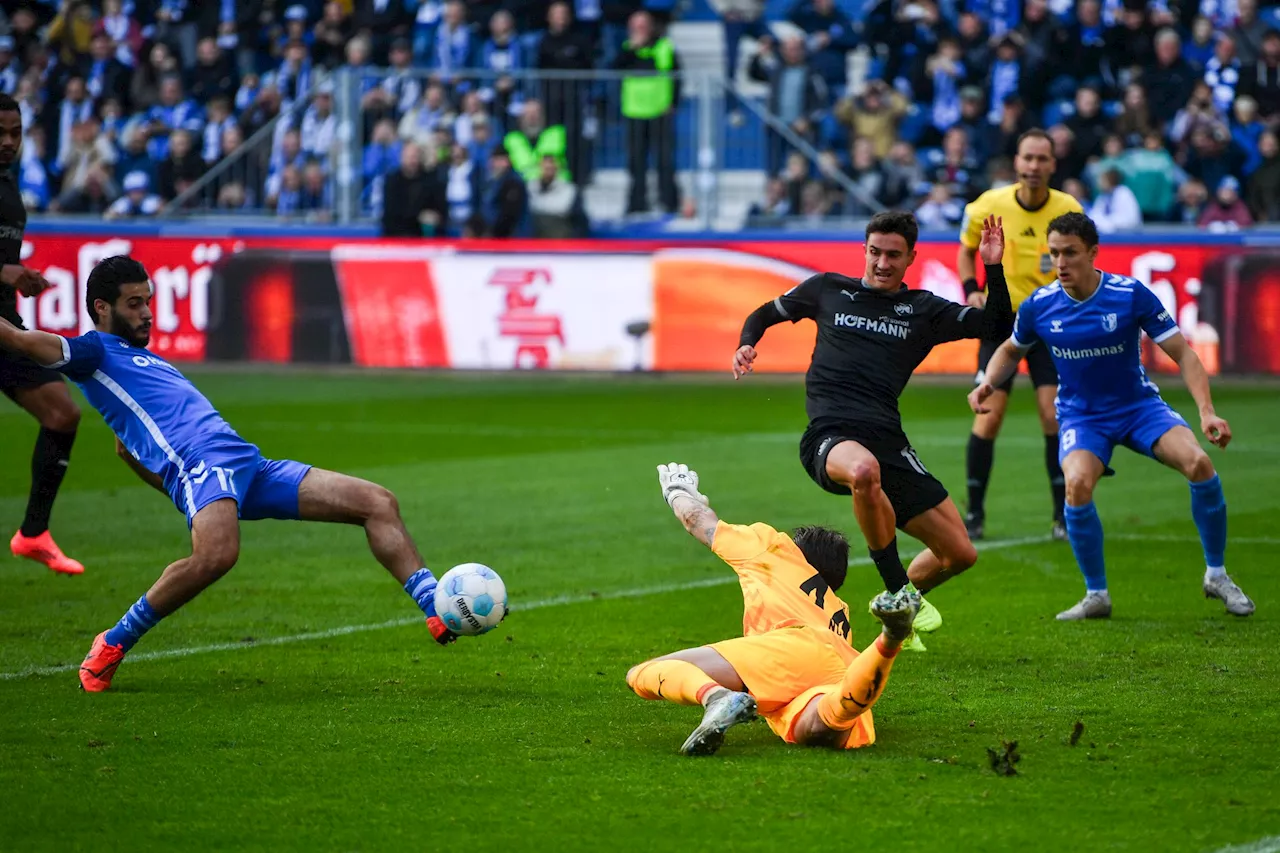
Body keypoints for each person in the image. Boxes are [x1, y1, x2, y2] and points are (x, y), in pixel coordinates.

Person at [0, 257, 465, 693]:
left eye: (149, 301)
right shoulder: (92, 351)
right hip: (204, 464)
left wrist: (179, 494)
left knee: (377, 502)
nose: (147, 313)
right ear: (102, 308)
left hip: (247, 465)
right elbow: (22, 342)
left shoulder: (144, 358)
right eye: (134, 303)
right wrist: (187, 488)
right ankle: (114, 642)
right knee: (217, 555)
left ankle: (436, 608)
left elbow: (126, 448)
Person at [732, 211, 1013, 650]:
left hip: (889, 442)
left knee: (960, 553)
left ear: (910, 258)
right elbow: (766, 312)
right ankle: (898, 589)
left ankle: (894, 601)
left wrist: (992, 267)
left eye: (893, 255)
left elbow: (997, 326)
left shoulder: (923, 310)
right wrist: (748, 342)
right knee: (863, 470)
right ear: (864, 250)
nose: (882, 263)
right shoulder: (827, 289)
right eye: (875, 252)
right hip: (830, 435)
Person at [970, 212, 1254, 620]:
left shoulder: (1129, 294)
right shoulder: (1040, 305)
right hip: (1082, 417)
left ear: (1093, 252)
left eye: (1070, 253)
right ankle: (1096, 595)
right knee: (1077, 485)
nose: (1061, 263)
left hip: (1139, 408)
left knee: (1199, 462)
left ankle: (1217, 575)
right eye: (1054, 254)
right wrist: (987, 381)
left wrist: (1206, 412)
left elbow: (1184, 354)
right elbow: (1011, 349)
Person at [626, 463, 921, 756]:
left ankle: (715, 697)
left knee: (642, 674)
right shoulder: (838, 612)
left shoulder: (776, 551)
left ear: (797, 551)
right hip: (842, 666)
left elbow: (695, 519)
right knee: (822, 725)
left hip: (788, 647)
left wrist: (678, 490)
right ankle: (888, 641)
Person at [957, 128, 1083, 543]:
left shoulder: (1068, 209)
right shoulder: (988, 205)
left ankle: (1062, 516)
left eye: (1041, 159)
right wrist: (970, 287)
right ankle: (974, 515)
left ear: (1052, 164)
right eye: (1027, 158)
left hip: (1052, 322)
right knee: (988, 417)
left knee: (1053, 416)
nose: (1033, 166)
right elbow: (966, 247)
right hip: (1002, 323)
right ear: (1016, 161)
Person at [0, 93, 84, 575]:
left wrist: (16, 277)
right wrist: (6, 272)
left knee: (63, 413)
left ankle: (33, 533)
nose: (9, 142)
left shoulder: (9, 189)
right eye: (1, 133)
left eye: (16, 132)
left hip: (5, 329)